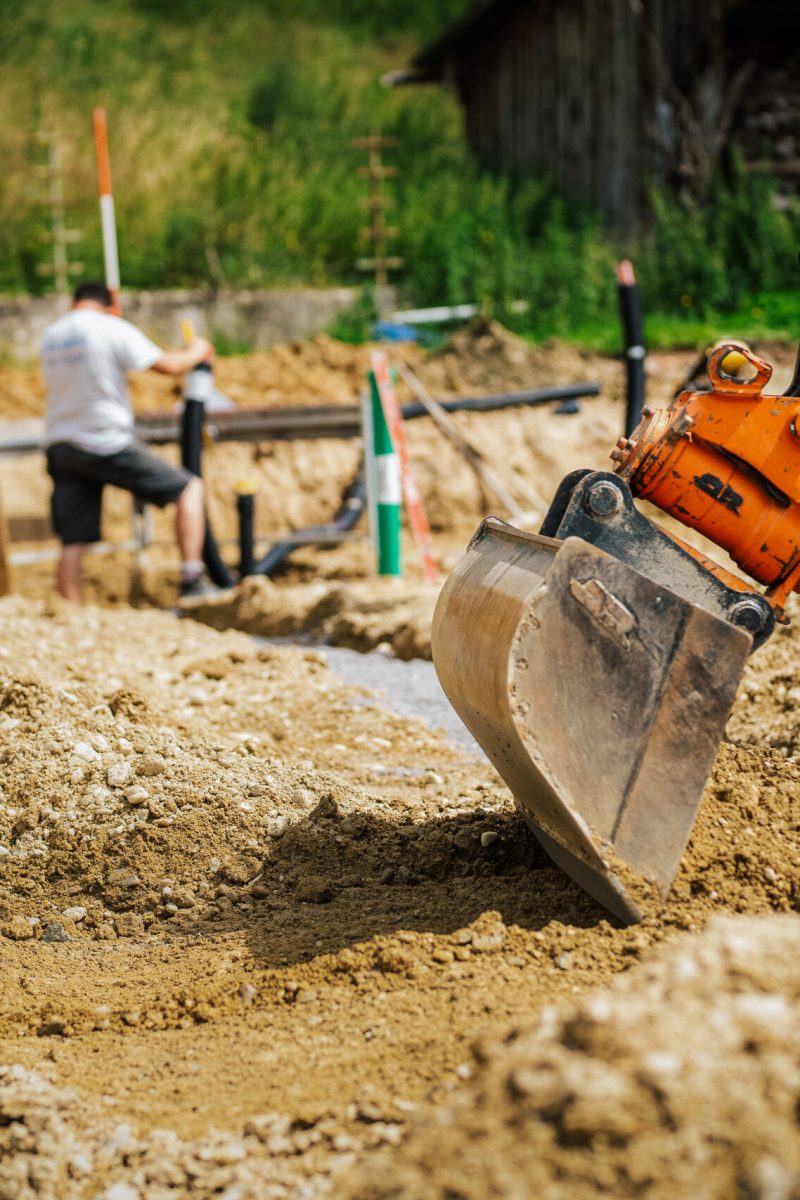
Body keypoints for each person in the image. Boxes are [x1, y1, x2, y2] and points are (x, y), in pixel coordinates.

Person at [41, 280, 214, 603]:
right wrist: (198, 350)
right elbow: (168, 366)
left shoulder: (52, 335)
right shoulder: (109, 327)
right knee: (189, 489)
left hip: (61, 443)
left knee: (72, 539)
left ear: (74, 301)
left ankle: (69, 610)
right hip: (105, 440)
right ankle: (192, 580)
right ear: (110, 305)